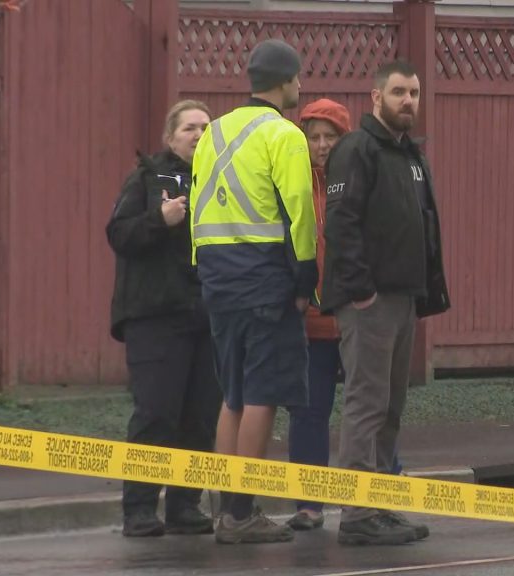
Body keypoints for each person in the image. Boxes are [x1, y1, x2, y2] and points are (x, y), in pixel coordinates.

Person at [189, 39, 317, 544]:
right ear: (286, 81)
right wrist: (305, 275)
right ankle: (242, 515)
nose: (300, 87)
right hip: (265, 279)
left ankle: (227, 508)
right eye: (298, 79)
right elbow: (299, 209)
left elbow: (200, 208)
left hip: (218, 280)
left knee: (234, 395)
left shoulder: (213, 132)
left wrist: (204, 268)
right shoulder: (283, 134)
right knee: (263, 393)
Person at [322, 59, 450, 546]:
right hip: (369, 301)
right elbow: (341, 222)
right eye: (399, 92)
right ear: (376, 98)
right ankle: (357, 514)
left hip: (403, 298)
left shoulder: (411, 156)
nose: (408, 102)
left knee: (391, 406)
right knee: (367, 403)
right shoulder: (357, 149)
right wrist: (361, 290)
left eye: (414, 94)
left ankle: (377, 502)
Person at [108, 100, 222, 538]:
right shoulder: (147, 177)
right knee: (156, 414)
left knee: (199, 416)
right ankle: (138, 509)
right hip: (155, 317)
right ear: (170, 137)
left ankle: (185, 505)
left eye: (205, 128)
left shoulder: (217, 181)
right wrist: (160, 219)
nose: (197, 134)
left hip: (206, 317)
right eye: (189, 127)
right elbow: (118, 233)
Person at [286, 98, 352, 532]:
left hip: (357, 315)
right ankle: (309, 505)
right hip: (311, 319)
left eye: (331, 137)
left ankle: (378, 498)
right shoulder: (292, 181)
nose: (322, 145)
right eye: (315, 137)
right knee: (309, 412)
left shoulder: (358, 179)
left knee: (372, 412)